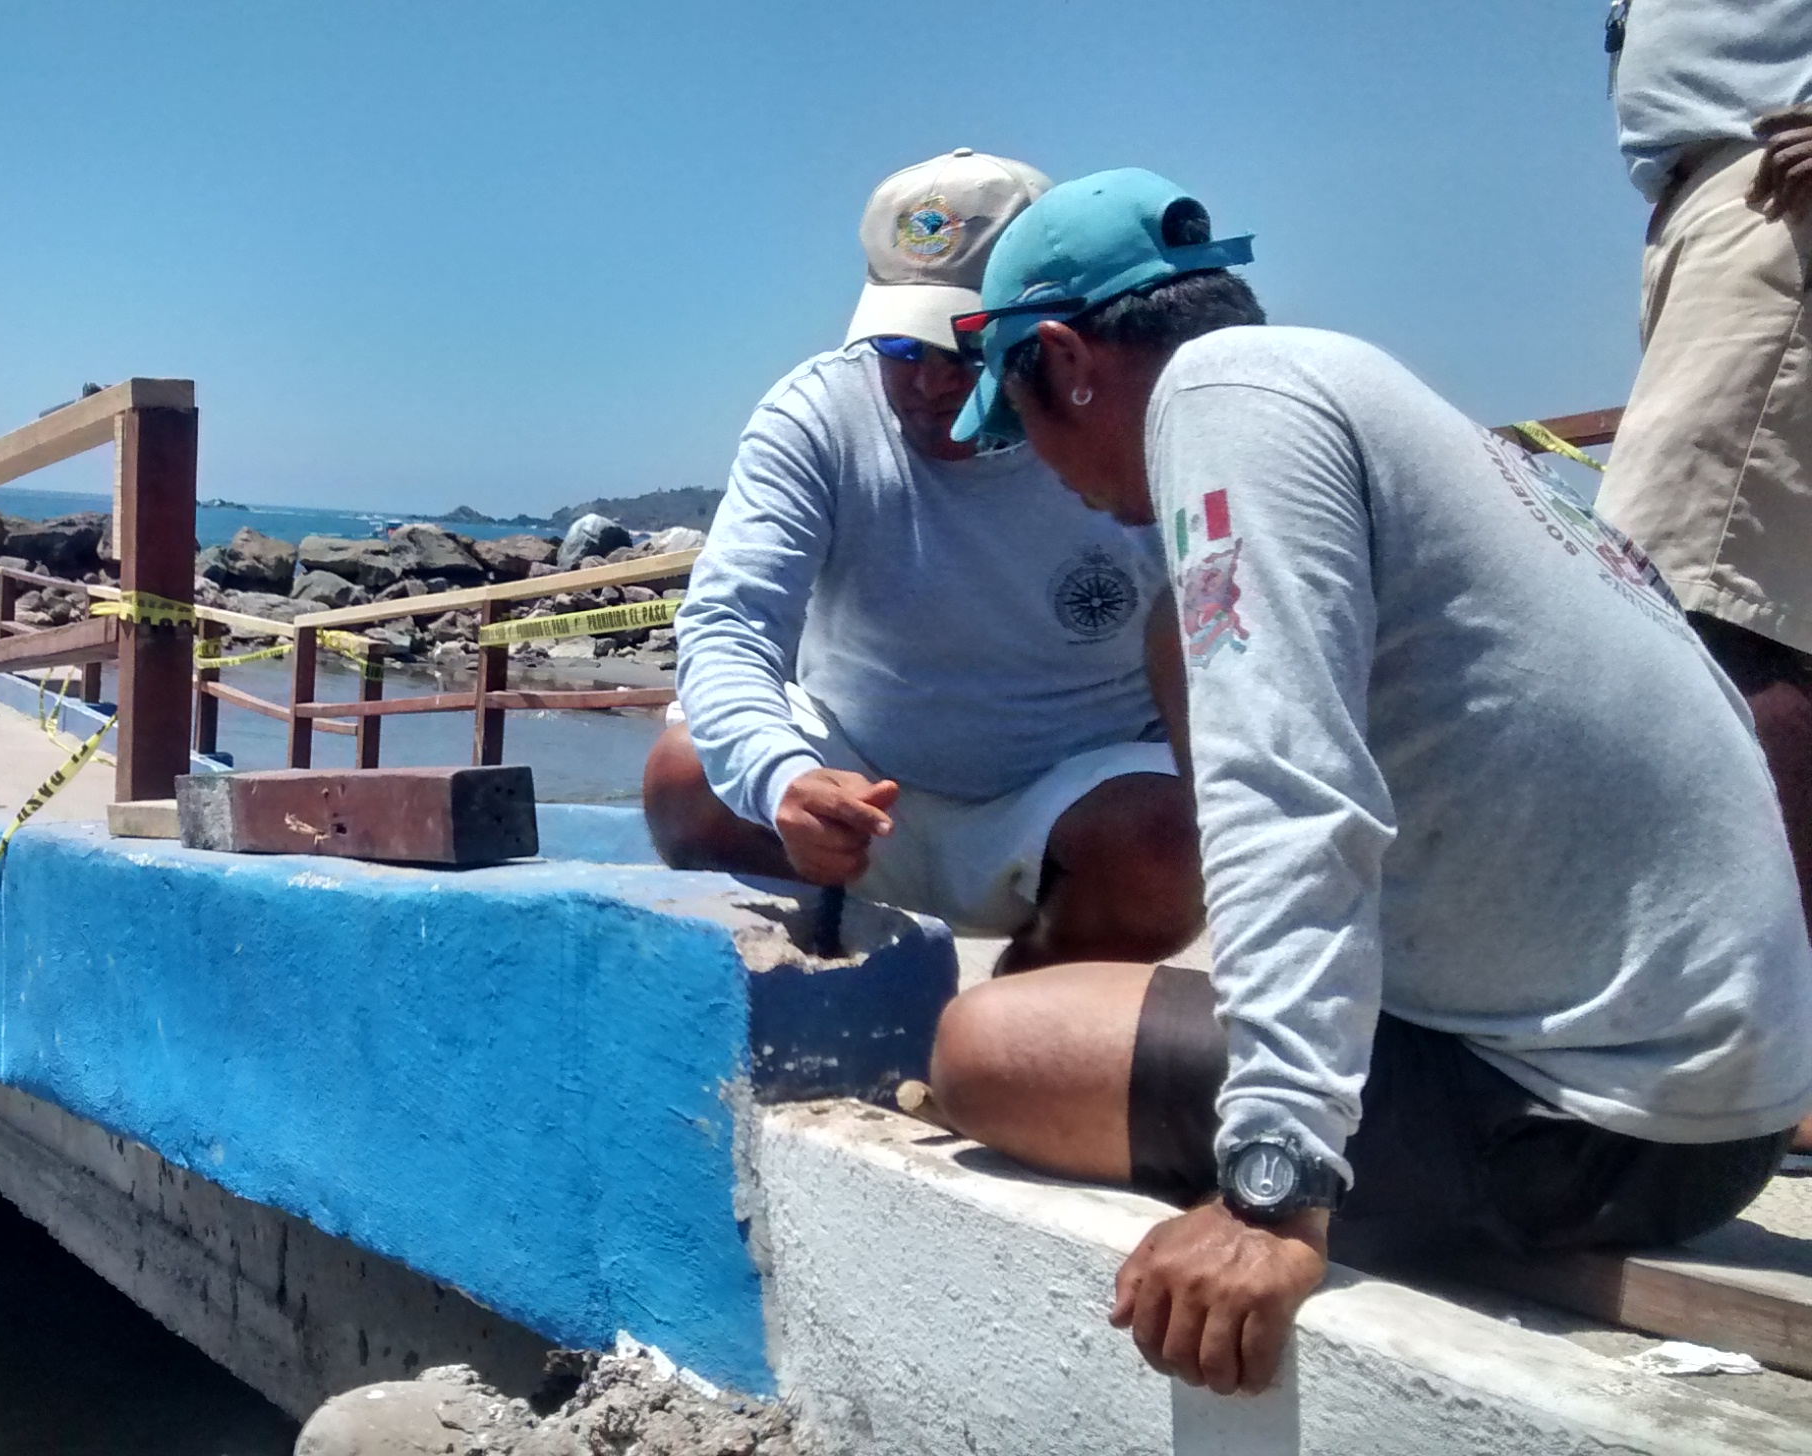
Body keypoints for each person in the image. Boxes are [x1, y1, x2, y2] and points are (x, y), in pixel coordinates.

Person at [926, 168, 1812, 1397]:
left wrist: (1276, 1183)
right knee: (1176, 639)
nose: (1043, 472)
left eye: (1020, 422)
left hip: (1595, 1132)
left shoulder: (1216, 407)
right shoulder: (1353, 386)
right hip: (1729, 1095)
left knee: (983, 1048)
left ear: (1068, 359)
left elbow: (1286, 778)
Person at [651, 148, 1202, 972]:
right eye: (901, 349)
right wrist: (784, 778)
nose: (931, 384)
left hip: (1068, 807)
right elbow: (729, 623)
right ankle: (830, 966)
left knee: (1173, 843)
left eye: (968, 351)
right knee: (684, 776)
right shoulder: (817, 414)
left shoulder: (1128, 423)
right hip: (861, 783)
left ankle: (1020, 1014)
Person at [1604, 2, 1812, 936]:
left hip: (1771, 203)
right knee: (1729, 603)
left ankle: (1774, 1008)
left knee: (1709, 610)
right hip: (1718, 208)